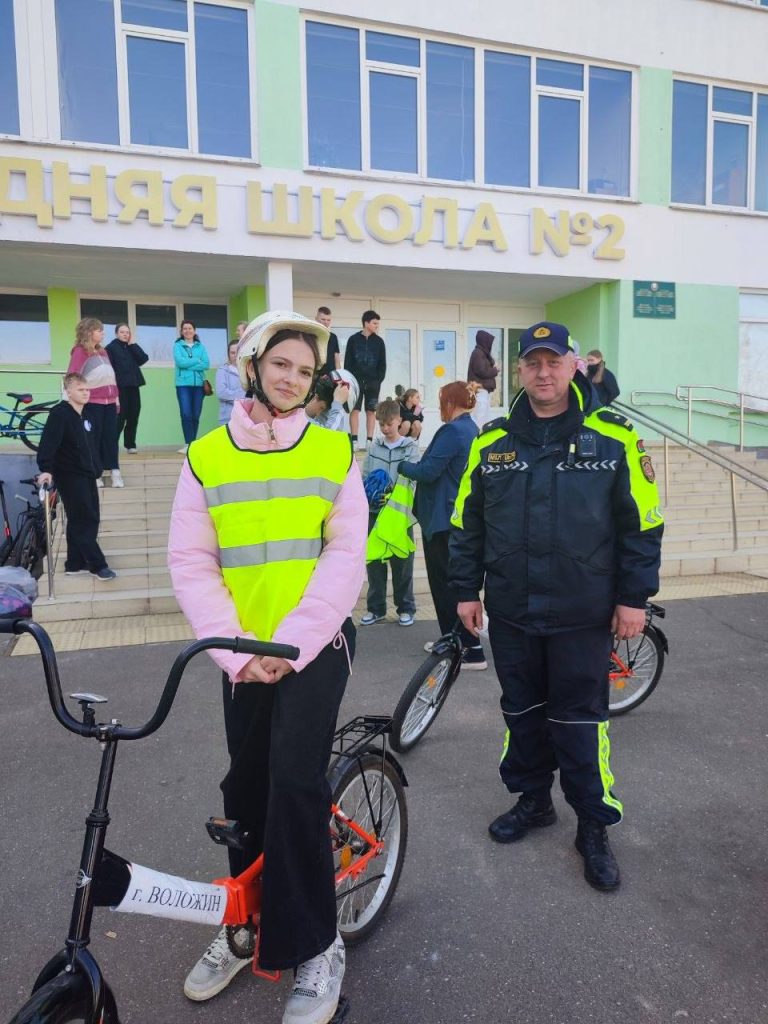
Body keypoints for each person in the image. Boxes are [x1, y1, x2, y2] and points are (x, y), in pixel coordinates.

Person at [168, 311, 367, 1024]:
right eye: (281, 364)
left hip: (315, 645)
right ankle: (244, 923)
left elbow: (345, 556)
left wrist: (289, 646)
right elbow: (192, 562)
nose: (292, 379)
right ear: (252, 366)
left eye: (305, 372)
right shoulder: (205, 456)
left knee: (293, 784)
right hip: (242, 655)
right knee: (243, 788)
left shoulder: (333, 451)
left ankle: (318, 945)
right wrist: (235, 649)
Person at [449, 321, 663, 892]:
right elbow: (465, 524)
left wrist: (633, 598)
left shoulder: (614, 437)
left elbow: (642, 526)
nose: (543, 372)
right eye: (532, 362)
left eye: (553, 361)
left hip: (582, 613)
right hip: (513, 612)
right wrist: (465, 591)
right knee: (521, 712)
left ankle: (593, 823)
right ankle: (534, 800)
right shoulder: (491, 442)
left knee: (579, 721)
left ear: (573, 366)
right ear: (519, 371)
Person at [399, 381, 486, 668]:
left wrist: (401, 466)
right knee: (454, 585)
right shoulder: (471, 429)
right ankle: (455, 642)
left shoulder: (453, 431)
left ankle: (467, 649)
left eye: (441, 401)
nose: (439, 407)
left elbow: (428, 471)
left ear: (450, 402)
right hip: (455, 517)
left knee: (445, 586)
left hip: (442, 519)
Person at [36, 373, 117, 581]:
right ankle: (98, 565)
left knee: (86, 517)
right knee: (84, 519)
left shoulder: (87, 414)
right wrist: (46, 469)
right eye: (80, 389)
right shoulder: (60, 414)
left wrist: (98, 467)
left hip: (88, 474)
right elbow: (48, 443)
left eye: (87, 389)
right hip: (69, 475)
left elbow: (93, 445)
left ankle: (74, 563)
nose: (85, 393)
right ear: (68, 391)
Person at [361, 397, 419, 627]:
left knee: (402, 562)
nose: (385, 428)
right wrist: (370, 492)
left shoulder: (410, 447)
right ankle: (376, 609)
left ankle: (406, 608)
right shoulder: (374, 447)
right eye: (381, 424)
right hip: (375, 513)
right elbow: (366, 476)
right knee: (374, 562)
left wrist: (392, 493)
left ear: (399, 420)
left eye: (389, 424)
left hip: (399, 515)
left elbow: (413, 479)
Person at [67, 317, 123, 488]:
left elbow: (111, 377)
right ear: (89, 332)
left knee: (111, 438)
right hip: (92, 403)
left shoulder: (103, 352)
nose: (103, 333)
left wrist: (116, 400)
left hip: (109, 403)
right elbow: (72, 377)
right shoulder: (80, 352)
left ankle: (115, 472)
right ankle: (95, 475)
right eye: (99, 330)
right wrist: (72, 402)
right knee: (93, 438)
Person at [344, 310, 386, 449]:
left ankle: (369, 441)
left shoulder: (379, 342)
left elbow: (382, 364)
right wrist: (349, 380)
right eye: (374, 323)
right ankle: (354, 441)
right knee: (354, 410)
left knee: (371, 411)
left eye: (377, 324)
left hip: (373, 383)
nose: (377, 326)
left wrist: (378, 380)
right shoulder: (353, 340)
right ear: (366, 323)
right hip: (355, 383)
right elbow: (348, 362)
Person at [106, 323, 149, 454]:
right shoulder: (111, 348)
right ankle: (111, 445)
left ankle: (130, 444)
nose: (125, 335)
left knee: (133, 415)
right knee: (120, 417)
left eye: (127, 332)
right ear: (116, 334)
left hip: (133, 386)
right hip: (120, 387)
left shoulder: (131, 347)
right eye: (122, 332)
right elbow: (109, 369)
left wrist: (132, 345)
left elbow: (143, 359)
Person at [173, 319, 210, 454]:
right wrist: (196, 360)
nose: (187, 331)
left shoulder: (201, 347)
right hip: (183, 385)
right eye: (185, 329)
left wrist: (189, 363)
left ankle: (192, 444)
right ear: (181, 331)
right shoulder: (177, 346)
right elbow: (180, 363)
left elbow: (206, 364)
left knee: (195, 415)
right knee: (186, 414)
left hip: (199, 385)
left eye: (190, 328)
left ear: (194, 331)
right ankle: (188, 443)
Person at [467, 329, 499, 430]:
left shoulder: (482, 354)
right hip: (479, 391)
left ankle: (480, 437)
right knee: (480, 419)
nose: (490, 345)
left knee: (483, 418)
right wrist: (495, 370)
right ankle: (476, 438)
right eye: (489, 342)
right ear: (484, 342)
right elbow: (481, 371)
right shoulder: (478, 353)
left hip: (482, 391)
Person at [215, 338, 246, 424]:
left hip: (247, 419)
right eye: (232, 353)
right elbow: (222, 393)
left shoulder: (249, 371)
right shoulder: (222, 371)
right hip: (228, 418)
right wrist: (244, 395)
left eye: (238, 352)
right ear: (228, 355)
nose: (235, 355)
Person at [316, 306, 341, 376]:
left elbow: (337, 359)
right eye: (323, 319)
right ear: (316, 319)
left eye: (328, 320)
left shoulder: (333, 337)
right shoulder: (311, 336)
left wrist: (339, 375)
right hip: (315, 376)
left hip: (331, 376)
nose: (326, 322)